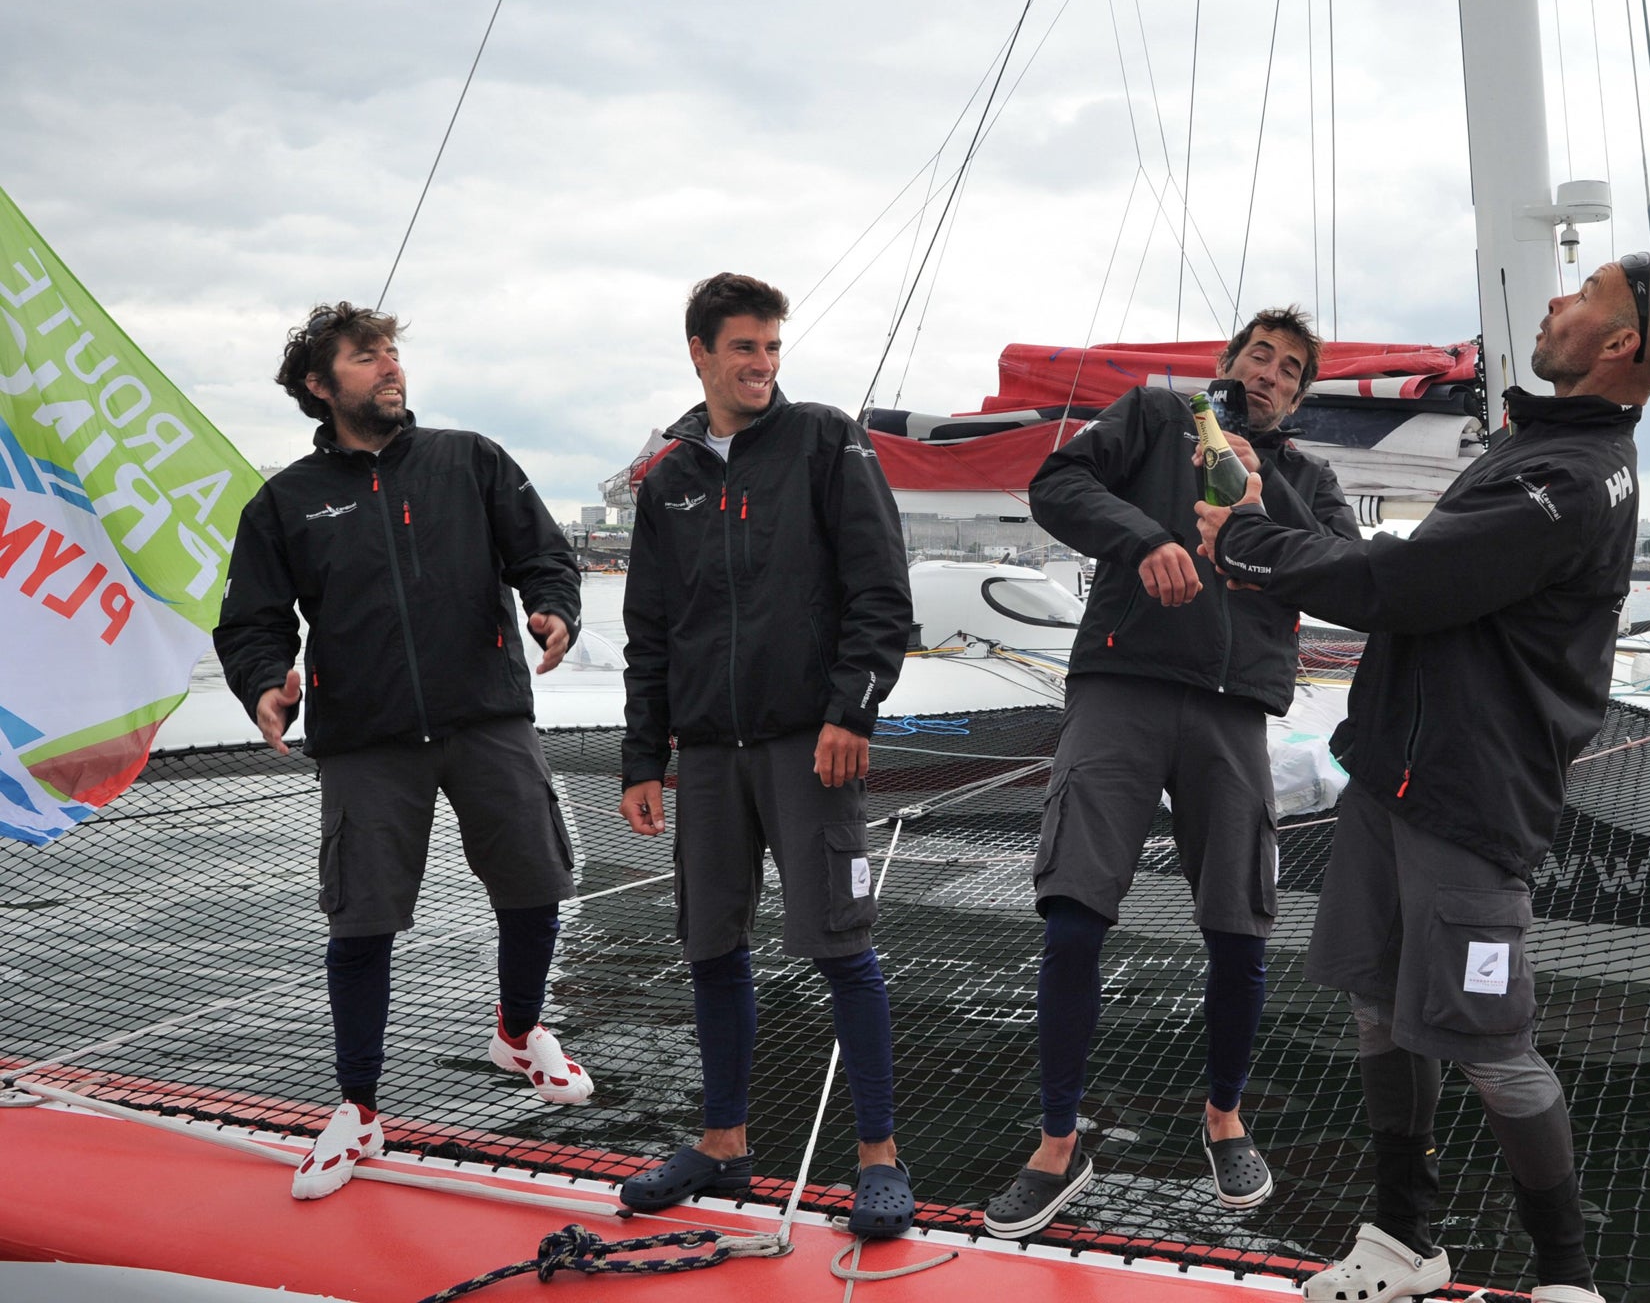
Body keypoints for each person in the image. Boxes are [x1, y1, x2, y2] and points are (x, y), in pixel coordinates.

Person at [1194, 257, 1650, 1302]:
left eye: (1580, 297)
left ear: (1616, 344)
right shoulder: (1540, 441)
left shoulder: (1563, 479)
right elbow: (1422, 571)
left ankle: (1565, 1278)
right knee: (1377, 1003)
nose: (1554, 303)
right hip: (1400, 770)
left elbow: (1409, 584)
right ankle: (1399, 1240)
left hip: (1471, 793)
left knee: (1490, 1042)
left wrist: (1244, 538)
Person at [981, 305, 1359, 1240]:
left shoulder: (1307, 475)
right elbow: (1056, 483)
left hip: (1234, 707)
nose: (1269, 372)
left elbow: (1345, 571)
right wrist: (1143, 540)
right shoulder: (1153, 418)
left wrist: (1268, 494)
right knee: (1074, 914)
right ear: (1228, 363)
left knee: (1238, 928)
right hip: (1124, 681)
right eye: (1257, 356)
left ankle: (1224, 1117)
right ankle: (1058, 1143)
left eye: (1289, 368)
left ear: (1301, 393)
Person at [215, 302, 590, 1202]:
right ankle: (358, 1109)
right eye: (365, 355)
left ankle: (518, 1029)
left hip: (486, 715)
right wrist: (266, 680)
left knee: (537, 882)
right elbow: (252, 622)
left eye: (393, 351)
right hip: (366, 739)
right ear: (319, 384)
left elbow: (545, 554)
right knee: (362, 920)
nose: (389, 366)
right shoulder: (284, 504)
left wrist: (553, 606)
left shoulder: (471, 460)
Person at [616, 272, 917, 1239]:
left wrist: (852, 712)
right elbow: (649, 632)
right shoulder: (667, 479)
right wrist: (638, 759)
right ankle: (723, 1145)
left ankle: (880, 1157)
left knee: (843, 949)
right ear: (699, 353)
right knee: (711, 947)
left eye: (772, 346)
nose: (761, 364)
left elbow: (882, 591)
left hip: (810, 741)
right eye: (743, 347)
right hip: (706, 753)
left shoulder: (826, 440)